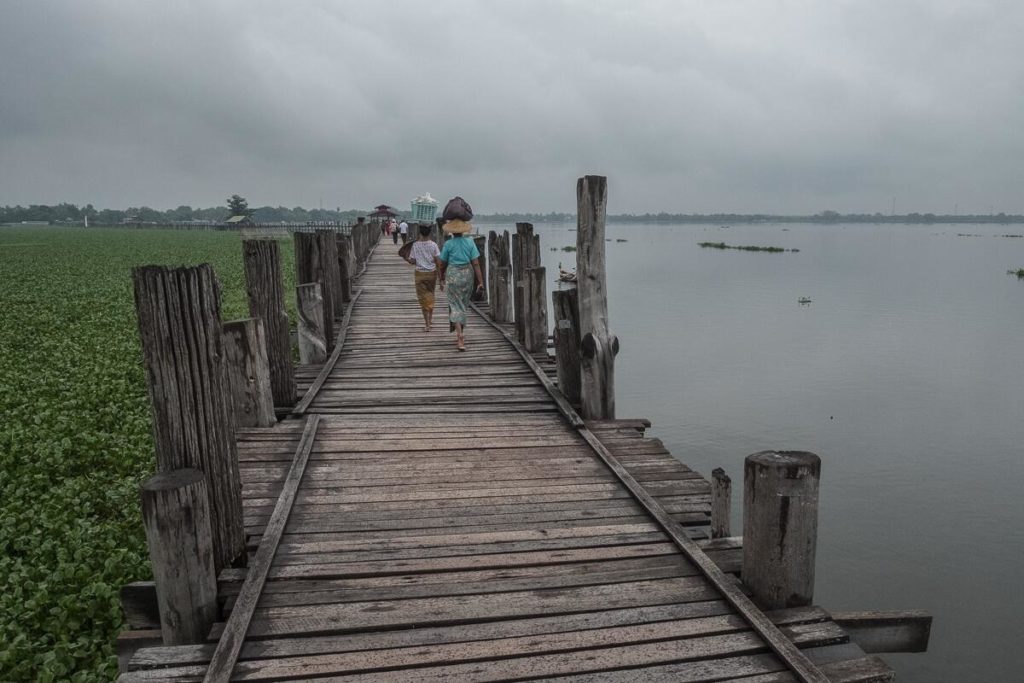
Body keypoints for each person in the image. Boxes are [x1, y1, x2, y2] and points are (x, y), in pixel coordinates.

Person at [437, 218, 484, 351]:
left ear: (451, 231)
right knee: (463, 304)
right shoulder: (470, 242)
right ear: (463, 231)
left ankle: (460, 335)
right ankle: (461, 332)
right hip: (467, 275)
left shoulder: (448, 244)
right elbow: (475, 263)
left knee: (455, 305)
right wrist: (480, 282)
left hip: (453, 275)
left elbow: (442, 264)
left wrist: (441, 277)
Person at [404, 224, 442, 331]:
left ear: (420, 233)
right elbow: (438, 262)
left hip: (420, 274)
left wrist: (406, 258)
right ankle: (430, 320)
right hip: (432, 274)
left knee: (422, 299)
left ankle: (427, 325)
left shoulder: (415, 245)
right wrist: (441, 279)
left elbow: (413, 261)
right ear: (430, 232)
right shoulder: (434, 245)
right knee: (430, 295)